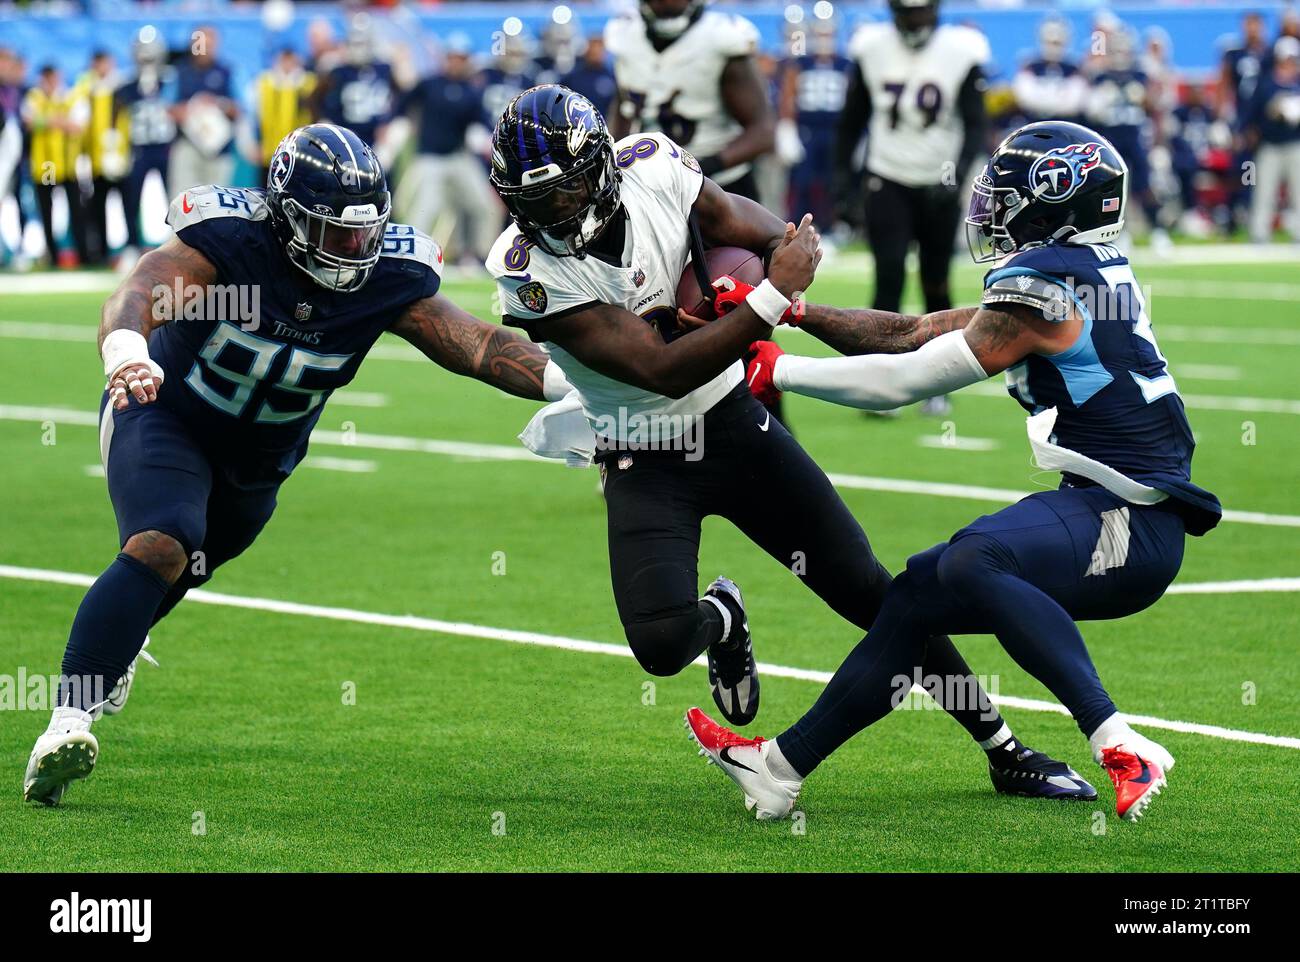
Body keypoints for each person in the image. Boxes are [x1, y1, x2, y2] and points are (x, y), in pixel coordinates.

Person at [486, 85, 1093, 800]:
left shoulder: (651, 167)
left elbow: (767, 234)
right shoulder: (524, 270)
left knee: (874, 592)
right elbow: (659, 366)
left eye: (562, 194)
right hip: (639, 447)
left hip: (732, 426)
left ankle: (1004, 748)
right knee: (658, 644)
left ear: (598, 170)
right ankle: (724, 617)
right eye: (533, 201)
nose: (547, 214)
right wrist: (766, 300)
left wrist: (761, 274)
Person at [688, 121, 1221, 824]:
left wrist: (775, 367)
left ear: (1056, 199)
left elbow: (901, 382)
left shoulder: (1046, 287)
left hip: (1130, 522)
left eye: (1006, 196)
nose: (993, 212)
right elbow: (914, 332)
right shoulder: (1080, 275)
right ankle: (778, 768)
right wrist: (794, 312)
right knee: (915, 592)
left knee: (976, 558)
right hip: (1111, 510)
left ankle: (1115, 738)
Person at [23, 124, 564, 807]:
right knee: (163, 538)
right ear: (285, 218)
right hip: (165, 410)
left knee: (177, 571)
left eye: (364, 233)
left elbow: (479, 346)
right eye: (334, 231)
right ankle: (67, 721)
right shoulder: (231, 240)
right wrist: (128, 350)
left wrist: (576, 388)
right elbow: (141, 292)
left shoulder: (391, 276)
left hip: (263, 463)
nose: (353, 248)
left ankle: (118, 646)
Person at [836, 0, 989, 416]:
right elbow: (852, 121)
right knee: (888, 278)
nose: (914, 20)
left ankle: (938, 381)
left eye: (921, 11)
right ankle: (878, 383)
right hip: (886, 176)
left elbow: (976, 122)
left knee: (935, 284)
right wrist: (845, 187)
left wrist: (956, 172)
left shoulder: (962, 49)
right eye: (907, 12)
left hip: (938, 181)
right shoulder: (871, 46)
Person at [605, 0, 775, 202]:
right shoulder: (624, 33)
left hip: (719, 183)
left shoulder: (721, 36)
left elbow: (763, 132)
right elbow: (625, 109)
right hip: (649, 182)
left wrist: (705, 166)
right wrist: (611, 160)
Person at [396, 37, 500, 262]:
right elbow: (402, 103)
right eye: (453, 58)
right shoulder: (429, 83)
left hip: (457, 157)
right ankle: (409, 258)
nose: (456, 63)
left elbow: (482, 123)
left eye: (460, 59)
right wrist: (390, 122)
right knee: (424, 210)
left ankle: (482, 256)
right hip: (429, 159)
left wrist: (489, 141)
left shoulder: (470, 90)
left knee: (485, 206)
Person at [116, 27, 178, 262]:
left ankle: (177, 242)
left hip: (165, 146)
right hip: (139, 148)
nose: (146, 58)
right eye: (143, 52)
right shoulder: (126, 84)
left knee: (174, 197)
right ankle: (132, 244)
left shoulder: (170, 80)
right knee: (131, 197)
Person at [21, 64, 89, 267]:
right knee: (46, 211)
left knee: (76, 210)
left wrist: (47, 121)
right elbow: (29, 122)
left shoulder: (71, 96)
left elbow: (77, 126)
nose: (50, 83)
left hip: (68, 164)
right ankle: (52, 255)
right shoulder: (35, 97)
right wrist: (58, 121)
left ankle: (84, 254)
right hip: (46, 165)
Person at [168, 24, 239, 197]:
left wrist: (217, 104)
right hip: (188, 143)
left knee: (218, 202)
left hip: (219, 147)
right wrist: (192, 108)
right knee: (181, 198)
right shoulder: (179, 71)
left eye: (208, 42)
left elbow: (238, 109)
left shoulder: (226, 71)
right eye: (199, 42)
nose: (203, 47)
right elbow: (168, 108)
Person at [1244, 36, 1300, 243]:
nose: (1289, 63)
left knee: (1299, 192)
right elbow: (1253, 113)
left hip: (1295, 144)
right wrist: (1273, 111)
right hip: (1270, 145)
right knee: (1264, 191)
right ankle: (1259, 234)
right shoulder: (1266, 84)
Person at [80, 50, 128, 266]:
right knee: (97, 206)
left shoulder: (121, 84)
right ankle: (100, 252)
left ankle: (131, 248)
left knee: (128, 204)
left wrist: (124, 148)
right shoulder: (87, 87)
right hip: (97, 160)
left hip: (120, 157)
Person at [250, 47, 317, 186]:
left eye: (291, 61)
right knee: (266, 192)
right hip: (269, 151)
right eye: (284, 61)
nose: (287, 65)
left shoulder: (308, 83)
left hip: (300, 152)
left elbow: (316, 117)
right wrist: (254, 142)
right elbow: (252, 115)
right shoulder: (264, 82)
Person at [1012, 17, 1087, 125]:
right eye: (1049, 42)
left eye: (1057, 43)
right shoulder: (1031, 65)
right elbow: (1025, 99)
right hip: (1033, 124)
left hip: (1066, 125)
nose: (1053, 47)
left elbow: (1074, 104)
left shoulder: (1073, 68)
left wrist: (1044, 100)